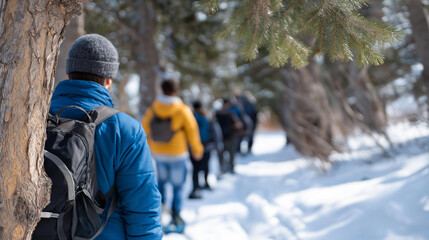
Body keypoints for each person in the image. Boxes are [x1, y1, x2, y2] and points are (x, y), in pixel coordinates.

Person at [48, 34, 163, 239]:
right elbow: (142, 209)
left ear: (68, 74)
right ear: (108, 80)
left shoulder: (31, 119)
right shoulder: (125, 130)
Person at [141, 76, 203, 233]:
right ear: (176, 90)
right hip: (177, 154)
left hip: (159, 153)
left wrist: (147, 148)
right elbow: (192, 130)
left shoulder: (154, 108)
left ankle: (159, 216)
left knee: (161, 185)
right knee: (178, 187)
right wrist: (197, 150)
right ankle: (176, 217)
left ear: (162, 89)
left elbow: (144, 128)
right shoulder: (182, 109)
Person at [188, 101, 215, 199]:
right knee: (206, 165)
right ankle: (206, 183)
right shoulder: (206, 117)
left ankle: (195, 187)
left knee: (195, 168)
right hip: (206, 145)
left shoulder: (189, 117)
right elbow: (213, 130)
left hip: (193, 147)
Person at [215, 98, 243, 175]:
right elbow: (239, 125)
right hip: (227, 138)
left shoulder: (219, 114)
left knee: (228, 155)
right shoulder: (230, 114)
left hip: (227, 138)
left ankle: (227, 168)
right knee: (228, 154)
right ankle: (226, 168)